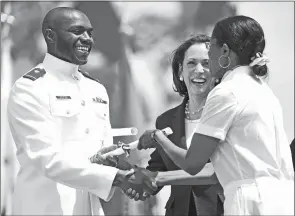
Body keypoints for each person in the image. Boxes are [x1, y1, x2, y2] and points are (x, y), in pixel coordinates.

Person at [137, 15, 294, 215]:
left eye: (210, 48)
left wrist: (156, 137)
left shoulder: (227, 91)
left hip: (250, 201)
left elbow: (193, 163)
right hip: (282, 199)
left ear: (225, 51)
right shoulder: (262, 90)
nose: (204, 65)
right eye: (191, 63)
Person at [7, 7, 156, 215]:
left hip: (91, 208)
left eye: (90, 33)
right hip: (46, 208)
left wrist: (127, 169)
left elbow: (101, 155)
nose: (87, 39)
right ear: (50, 36)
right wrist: (118, 178)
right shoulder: (30, 88)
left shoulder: (96, 89)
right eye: (77, 31)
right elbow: (47, 159)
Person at [124, 35, 224, 216]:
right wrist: (139, 185)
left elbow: (222, 168)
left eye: (207, 63)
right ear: (180, 71)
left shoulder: (227, 113)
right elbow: (157, 169)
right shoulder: (166, 120)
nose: (199, 70)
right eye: (191, 63)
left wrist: (156, 177)